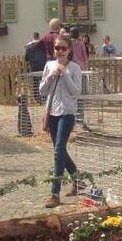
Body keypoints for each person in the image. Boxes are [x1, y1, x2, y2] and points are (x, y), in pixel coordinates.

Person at [38, 35, 82, 209]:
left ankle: (54, 193)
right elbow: (42, 91)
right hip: (53, 112)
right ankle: (78, 180)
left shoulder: (75, 68)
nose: (60, 51)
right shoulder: (49, 66)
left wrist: (64, 75)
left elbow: (76, 91)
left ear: (69, 50)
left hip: (67, 113)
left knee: (57, 152)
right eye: (57, 48)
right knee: (61, 150)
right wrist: (50, 77)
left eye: (64, 48)